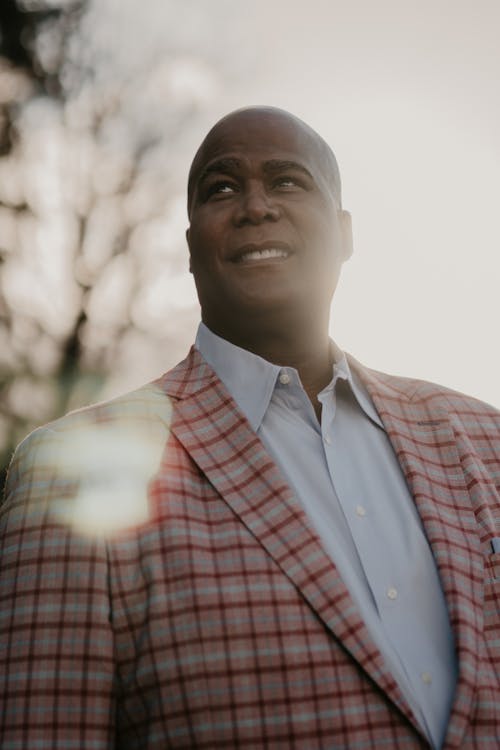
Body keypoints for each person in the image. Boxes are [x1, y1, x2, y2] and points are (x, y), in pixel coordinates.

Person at [1, 106, 499, 750]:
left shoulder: (482, 439)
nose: (255, 206)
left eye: (288, 181)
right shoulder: (71, 469)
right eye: (222, 187)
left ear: (345, 235)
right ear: (189, 248)